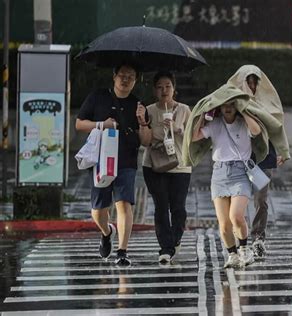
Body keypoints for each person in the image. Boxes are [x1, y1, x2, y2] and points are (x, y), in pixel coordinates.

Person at [76, 63, 150, 266]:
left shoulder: (138, 105)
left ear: (136, 81)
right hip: (100, 161)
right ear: (114, 76)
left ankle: (122, 251)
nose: (125, 80)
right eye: (122, 75)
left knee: (124, 203)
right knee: (98, 209)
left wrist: (142, 121)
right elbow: (79, 123)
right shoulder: (98, 97)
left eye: (131, 76)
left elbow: (145, 140)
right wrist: (102, 125)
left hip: (126, 160)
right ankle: (107, 231)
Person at [227, 65, 289, 259]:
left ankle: (258, 238)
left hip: (261, 158)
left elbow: (276, 126)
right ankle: (241, 238)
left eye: (255, 82)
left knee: (260, 199)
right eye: (248, 82)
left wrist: (282, 151)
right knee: (237, 201)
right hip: (238, 158)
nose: (252, 86)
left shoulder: (267, 101)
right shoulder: (232, 102)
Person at [192, 100, 262, 268]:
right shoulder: (215, 124)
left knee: (236, 216)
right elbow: (194, 136)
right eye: (224, 105)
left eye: (232, 104)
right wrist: (202, 115)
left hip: (241, 171)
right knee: (224, 224)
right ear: (219, 108)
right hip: (219, 173)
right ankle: (232, 254)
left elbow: (256, 130)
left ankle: (244, 249)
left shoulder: (243, 123)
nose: (228, 108)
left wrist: (244, 111)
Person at [140, 71, 192, 264]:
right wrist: (148, 125)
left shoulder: (184, 110)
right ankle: (165, 248)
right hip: (153, 165)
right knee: (161, 207)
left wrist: (178, 129)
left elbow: (194, 137)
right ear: (155, 90)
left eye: (168, 86)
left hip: (180, 166)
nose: (164, 90)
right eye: (160, 87)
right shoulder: (149, 110)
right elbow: (144, 142)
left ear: (174, 89)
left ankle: (175, 238)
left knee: (178, 208)